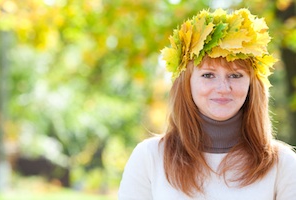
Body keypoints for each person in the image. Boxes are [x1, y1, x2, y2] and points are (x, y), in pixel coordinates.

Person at [118, 8, 296, 200]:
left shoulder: (282, 164)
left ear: (252, 84)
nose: (223, 88)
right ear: (187, 83)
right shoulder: (149, 157)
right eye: (208, 75)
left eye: (235, 75)